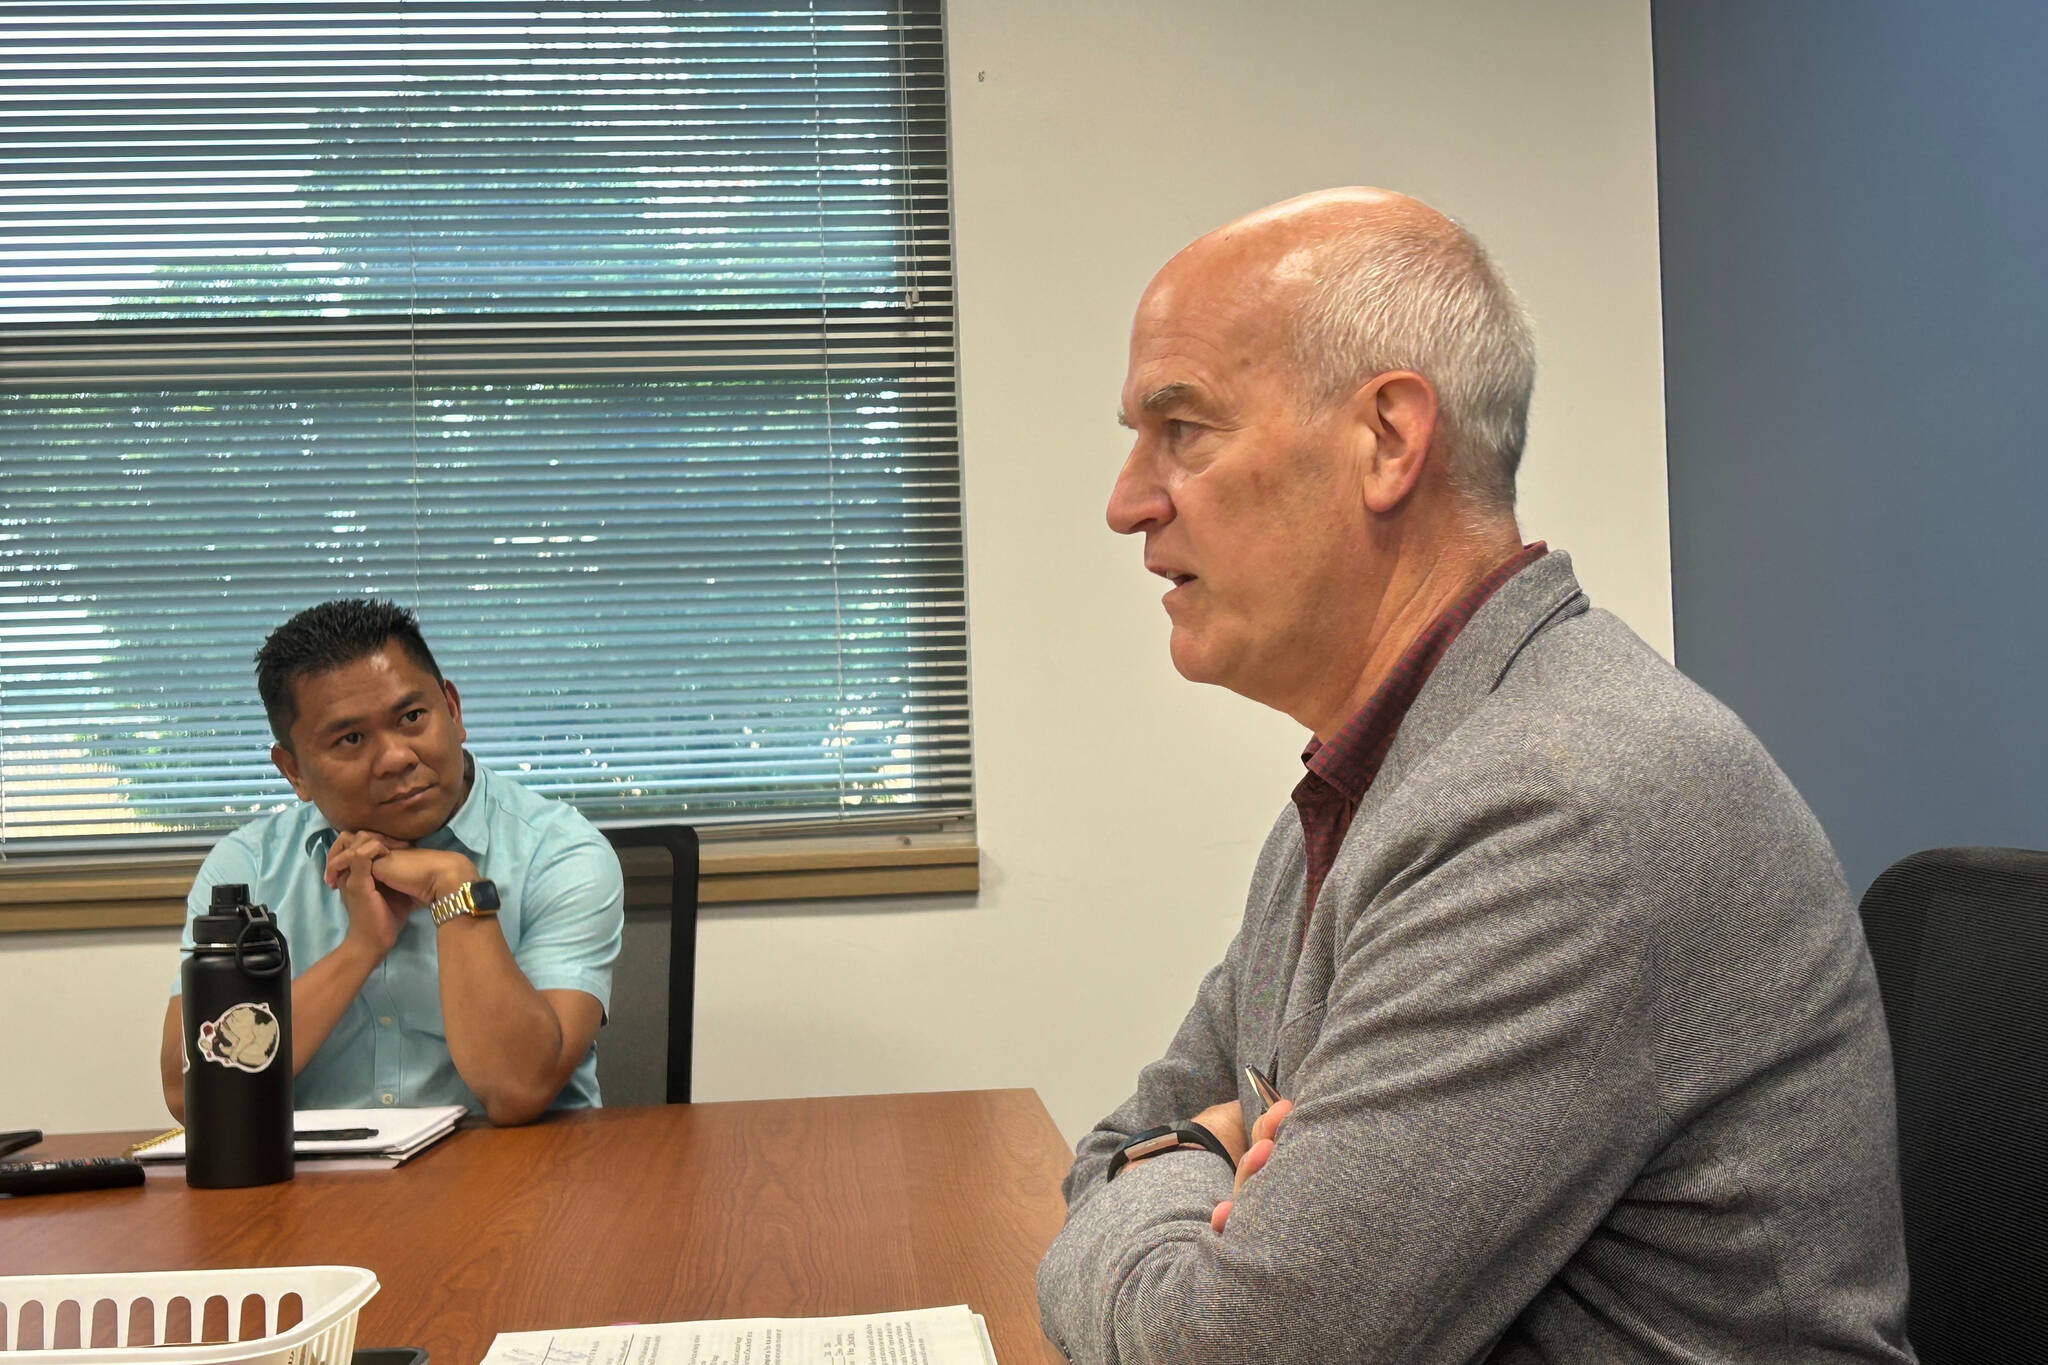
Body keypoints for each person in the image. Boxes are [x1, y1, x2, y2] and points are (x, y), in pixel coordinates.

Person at [1035, 189, 1915, 1363]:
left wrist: (1181, 1160)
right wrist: (1192, 1156)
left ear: (1387, 439)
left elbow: (1226, 1346)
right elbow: (1117, 1146)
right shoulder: (1378, 781)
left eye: (1181, 429)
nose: (1126, 503)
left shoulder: (1557, 808)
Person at [159, 599, 623, 1126]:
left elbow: (517, 1090)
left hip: (516, 1168)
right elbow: (192, 1094)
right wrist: (361, 947)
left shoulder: (559, 853)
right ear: (294, 770)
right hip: (313, 1174)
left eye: (412, 717)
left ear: (453, 710)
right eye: (351, 739)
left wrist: (456, 890)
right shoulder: (248, 867)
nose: (398, 757)